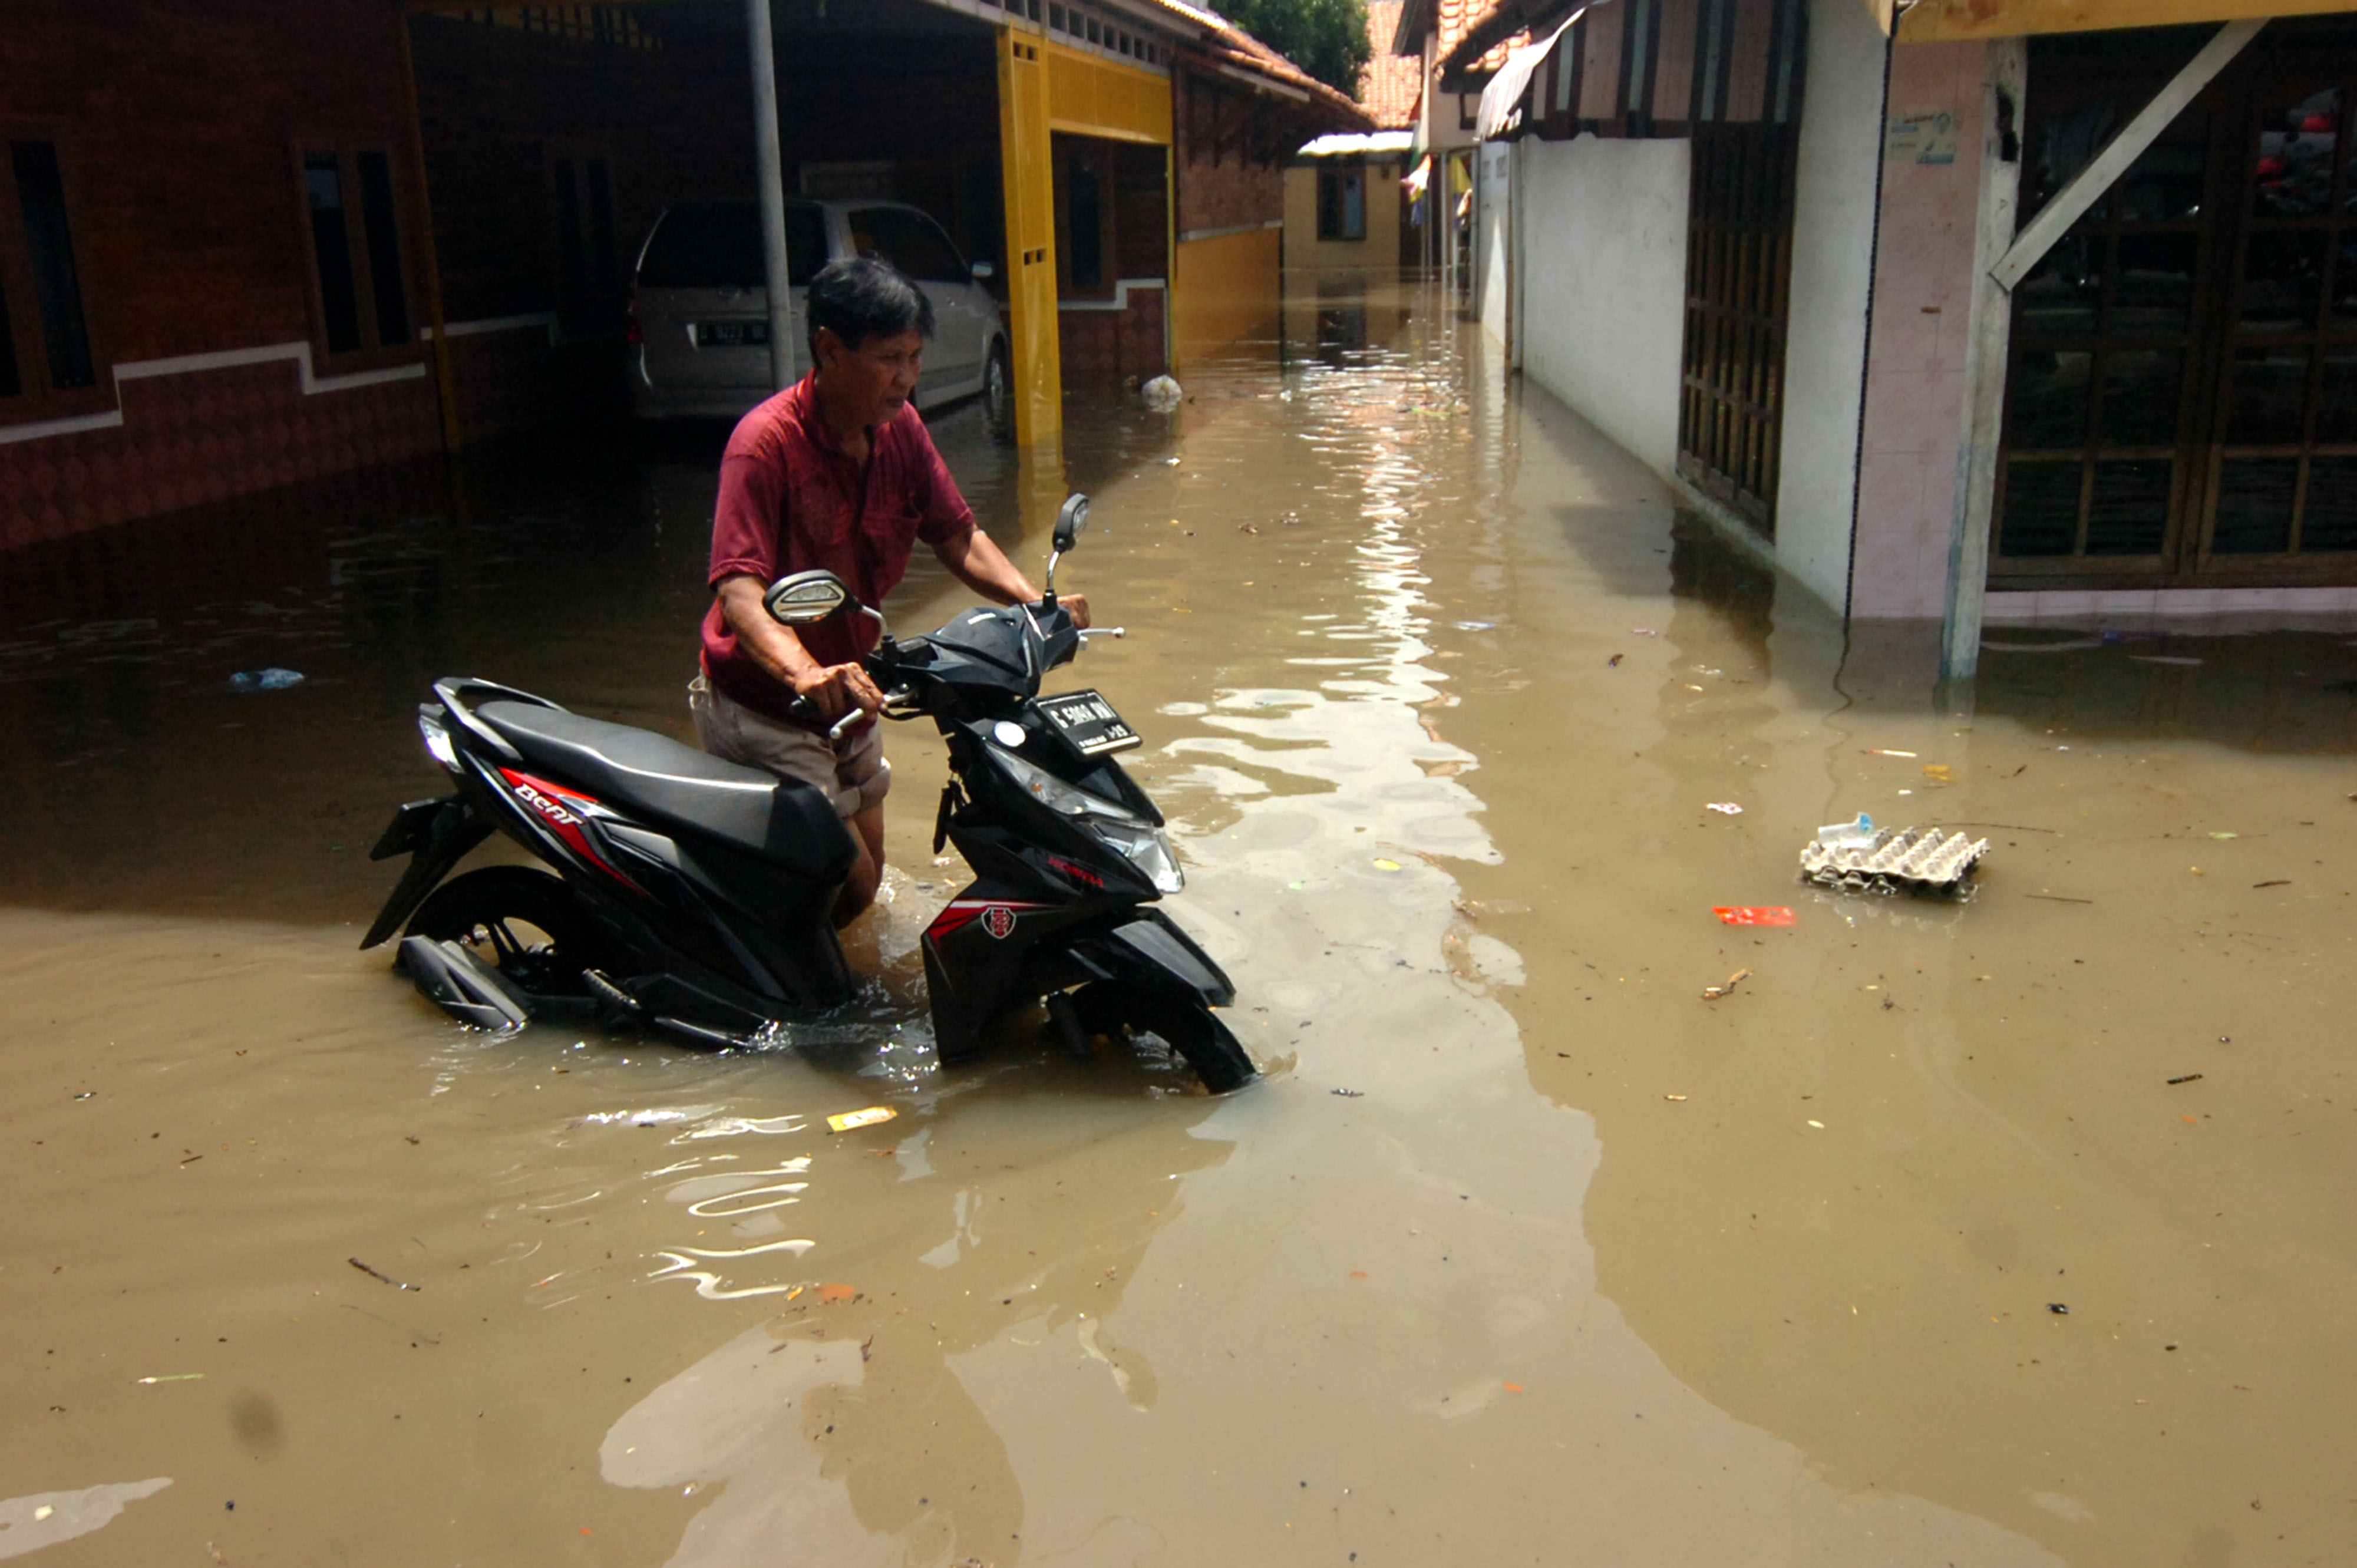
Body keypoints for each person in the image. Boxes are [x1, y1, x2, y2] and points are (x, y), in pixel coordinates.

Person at [691, 256, 1087, 926]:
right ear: (829, 351)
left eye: (914, 357)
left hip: (859, 692)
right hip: (766, 705)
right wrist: (804, 672)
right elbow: (739, 592)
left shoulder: (900, 430)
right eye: (889, 358)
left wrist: (1034, 606)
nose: (906, 377)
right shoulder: (763, 446)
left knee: (864, 890)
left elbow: (958, 535)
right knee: (846, 881)